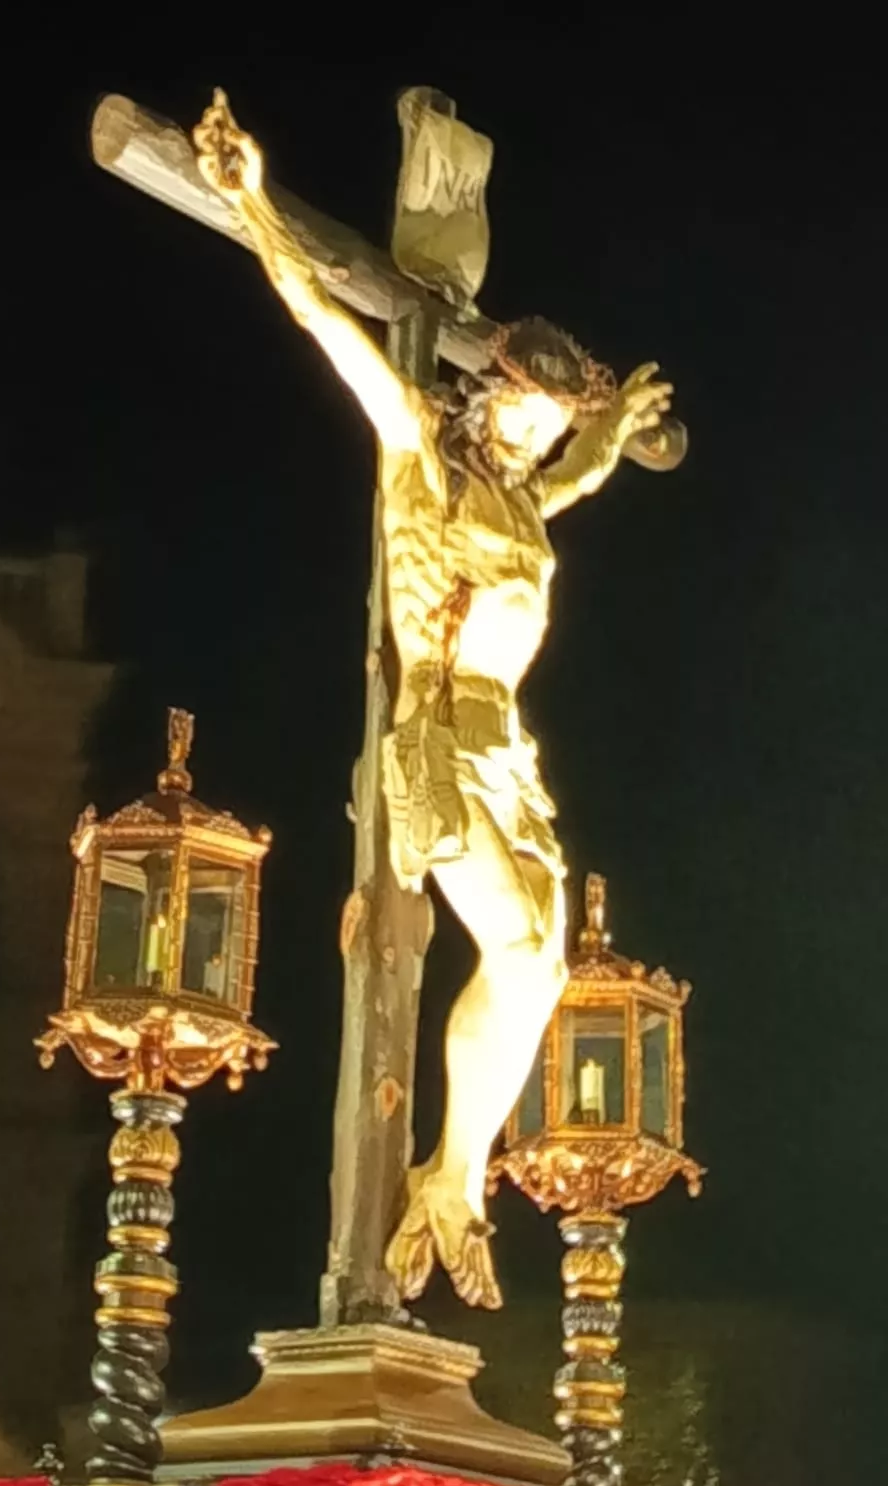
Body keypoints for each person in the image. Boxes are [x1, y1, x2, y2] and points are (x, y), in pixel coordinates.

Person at [194, 91, 674, 1308]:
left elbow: (555, 501)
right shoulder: (417, 442)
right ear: (488, 391)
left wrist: (605, 445)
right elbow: (320, 313)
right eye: (523, 407)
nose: (531, 430)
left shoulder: (521, 498)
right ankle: (448, 1174)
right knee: (514, 947)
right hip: (441, 730)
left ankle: (456, 1173)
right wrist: (251, 196)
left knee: (543, 965)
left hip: (505, 743)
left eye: (548, 421)